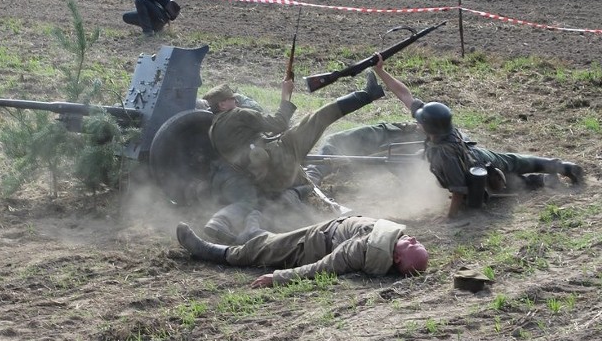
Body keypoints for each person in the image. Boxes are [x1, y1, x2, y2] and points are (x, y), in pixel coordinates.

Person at [371, 55, 584, 217]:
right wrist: (381, 71)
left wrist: (451, 220)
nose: (416, 122)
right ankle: (563, 167)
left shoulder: (446, 154)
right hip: (479, 155)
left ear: (430, 129)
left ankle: (546, 178)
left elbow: (458, 191)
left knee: (507, 186)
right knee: (519, 161)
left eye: (420, 121)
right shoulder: (444, 128)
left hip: (479, 171)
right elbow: (405, 95)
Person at [201, 71, 385, 243]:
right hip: (280, 158)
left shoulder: (213, 131)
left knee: (304, 185)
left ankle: (326, 218)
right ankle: (368, 94)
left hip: (265, 179)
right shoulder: (237, 114)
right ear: (222, 105)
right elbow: (279, 123)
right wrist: (285, 95)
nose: (235, 101)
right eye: (231, 99)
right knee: (318, 117)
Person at [176, 216, 429, 287]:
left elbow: (323, 267)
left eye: (413, 246)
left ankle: (209, 251)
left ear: (395, 257)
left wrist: (277, 278)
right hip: (324, 229)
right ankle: (247, 231)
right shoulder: (389, 240)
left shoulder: (360, 251)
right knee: (268, 241)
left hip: (309, 247)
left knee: (257, 251)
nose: (414, 238)